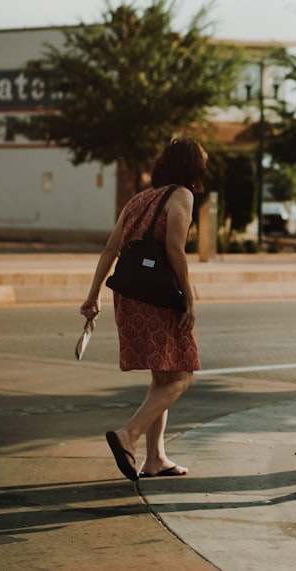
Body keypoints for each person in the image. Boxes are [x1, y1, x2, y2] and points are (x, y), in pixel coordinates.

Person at [80, 137, 206, 481]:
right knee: (182, 375)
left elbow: (110, 248)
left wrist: (93, 296)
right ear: (191, 167)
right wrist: (190, 299)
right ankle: (128, 434)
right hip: (158, 294)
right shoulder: (182, 195)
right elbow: (175, 250)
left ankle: (156, 459)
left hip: (128, 294)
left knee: (162, 374)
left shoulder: (139, 199)